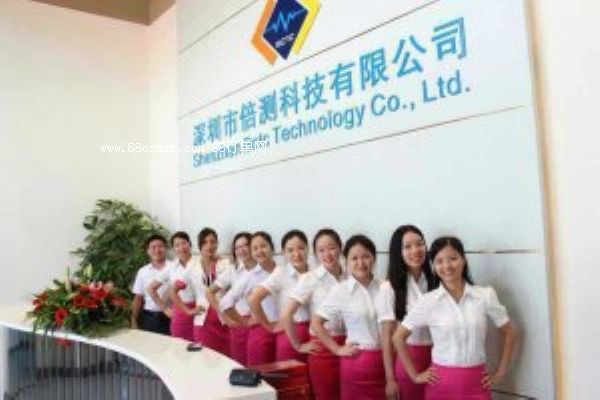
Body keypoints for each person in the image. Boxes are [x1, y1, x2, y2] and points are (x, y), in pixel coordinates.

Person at [393, 236, 516, 400]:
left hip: (476, 385)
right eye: (439, 261)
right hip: (440, 386)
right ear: (434, 266)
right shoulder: (428, 301)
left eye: (453, 258)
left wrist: (501, 372)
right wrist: (415, 376)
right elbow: (398, 337)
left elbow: (509, 332)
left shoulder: (485, 295)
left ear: (463, 260)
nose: (447, 266)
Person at [312, 234, 385, 400]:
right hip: (356, 364)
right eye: (354, 258)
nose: (361, 263)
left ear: (374, 258)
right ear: (346, 261)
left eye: (366, 256)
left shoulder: (385, 286)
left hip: (385, 361)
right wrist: (337, 349)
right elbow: (316, 323)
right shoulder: (341, 290)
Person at [281, 228, 346, 399]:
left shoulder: (350, 276)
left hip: (349, 347)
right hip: (322, 349)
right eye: (321, 250)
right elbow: (287, 314)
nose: (327, 254)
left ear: (340, 248)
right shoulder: (310, 278)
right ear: (315, 253)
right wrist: (298, 346)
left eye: (332, 248)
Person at [376, 225, 437, 400]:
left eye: (419, 244)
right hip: (408, 359)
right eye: (408, 247)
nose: (416, 250)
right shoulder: (389, 287)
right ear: (398, 252)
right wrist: (390, 379)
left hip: (438, 359)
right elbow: (387, 336)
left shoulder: (437, 281)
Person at [248, 230, 310, 362]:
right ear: (284, 253)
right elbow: (253, 299)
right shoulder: (281, 273)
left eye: (301, 248)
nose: (297, 254)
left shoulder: (315, 272)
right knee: (290, 375)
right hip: (291, 336)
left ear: (308, 248)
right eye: (290, 250)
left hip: (313, 336)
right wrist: (269, 326)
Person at [220, 231, 278, 365]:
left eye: (263, 246)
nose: (259, 251)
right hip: (261, 334)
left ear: (271, 247)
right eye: (255, 248)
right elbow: (225, 303)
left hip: (284, 331)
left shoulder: (283, 270)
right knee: (260, 373)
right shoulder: (251, 276)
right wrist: (244, 323)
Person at [171, 228, 231, 355]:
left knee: (226, 358)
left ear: (217, 244)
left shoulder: (226, 264)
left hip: (224, 318)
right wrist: (188, 311)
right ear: (199, 246)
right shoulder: (192, 266)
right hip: (202, 320)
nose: (209, 246)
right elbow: (173, 291)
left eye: (213, 242)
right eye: (205, 242)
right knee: (204, 357)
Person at [205, 232, 256, 365]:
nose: (242, 250)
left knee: (260, 366)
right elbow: (209, 292)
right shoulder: (233, 270)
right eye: (238, 247)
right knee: (240, 364)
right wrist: (224, 316)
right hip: (239, 322)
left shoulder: (264, 268)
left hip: (260, 324)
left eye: (245, 245)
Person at [131, 234, 173, 335]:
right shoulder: (143, 271)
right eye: (153, 247)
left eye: (160, 246)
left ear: (165, 249)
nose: (157, 250)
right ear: (148, 251)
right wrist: (133, 320)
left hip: (171, 316)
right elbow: (138, 298)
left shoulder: (174, 267)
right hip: (149, 317)